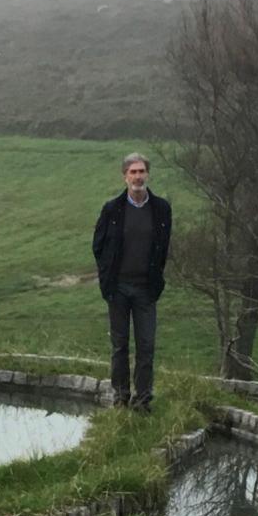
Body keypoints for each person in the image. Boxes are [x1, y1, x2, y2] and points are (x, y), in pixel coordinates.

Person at [92, 152, 172, 411]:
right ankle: (121, 397)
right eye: (133, 172)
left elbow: (163, 248)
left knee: (146, 346)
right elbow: (98, 247)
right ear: (125, 176)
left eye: (141, 171)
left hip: (146, 289)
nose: (138, 176)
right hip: (118, 289)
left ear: (148, 174)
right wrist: (107, 281)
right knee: (120, 346)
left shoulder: (161, 209)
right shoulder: (112, 209)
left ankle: (143, 400)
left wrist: (156, 280)